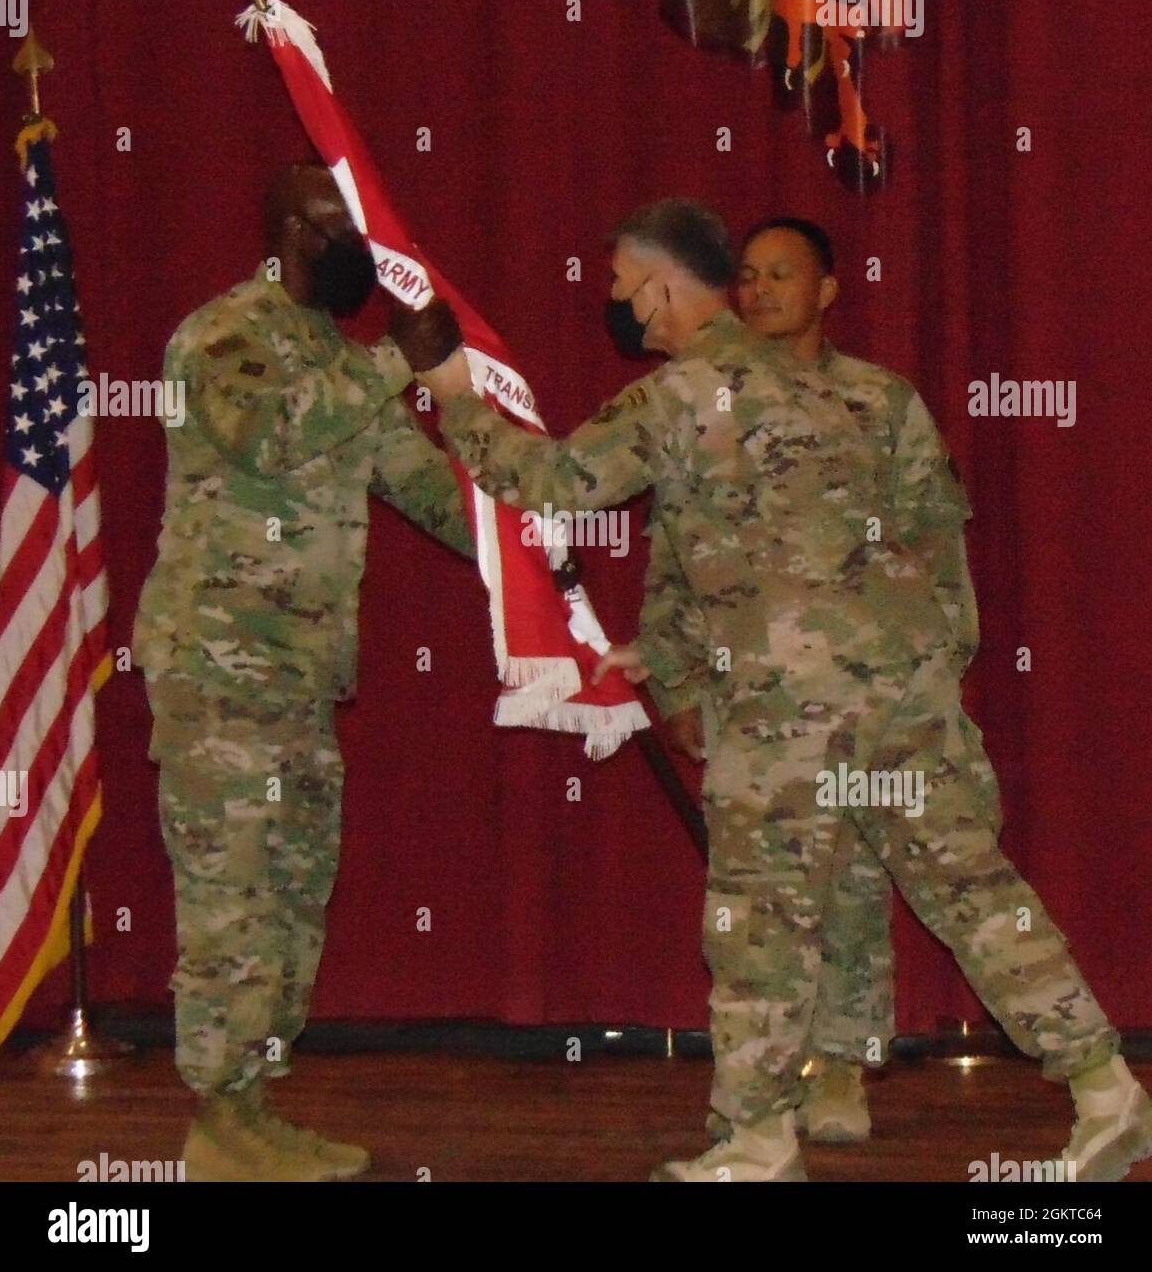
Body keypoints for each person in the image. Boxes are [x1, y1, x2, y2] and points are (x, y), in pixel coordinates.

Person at [391, 198, 1152, 1182]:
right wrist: (673, 652)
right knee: (971, 894)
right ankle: (1104, 1089)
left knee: (758, 924)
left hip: (784, 718)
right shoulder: (855, 398)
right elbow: (764, 545)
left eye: (622, 284)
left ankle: (755, 1141)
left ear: (662, 282)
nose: (618, 303)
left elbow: (555, 482)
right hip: (898, 706)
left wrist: (451, 393)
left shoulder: (681, 395)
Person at [132, 164, 474, 1182]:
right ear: (288, 229)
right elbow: (266, 433)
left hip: (298, 686)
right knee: (228, 907)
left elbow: (420, 486)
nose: (355, 249)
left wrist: (522, 542)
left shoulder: (333, 353)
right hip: (220, 676)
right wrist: (391, 364)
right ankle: (214, 1122)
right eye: (336, 227)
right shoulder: (219, 336)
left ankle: (249, 1109)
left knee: (287, 901)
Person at [635, 217, 996, 1144]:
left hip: (870, 689)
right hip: (749, 692)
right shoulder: (702, 403)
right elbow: (675, 551)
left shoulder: (880, 404)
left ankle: (837, 1063)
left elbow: (934, 539)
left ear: (829, 290)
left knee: (854, 878)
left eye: (782, 274)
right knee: (759, 897)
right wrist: (675, 680)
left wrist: (938, 668)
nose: (760, 290)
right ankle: (760, 1088)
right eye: (747, 275)